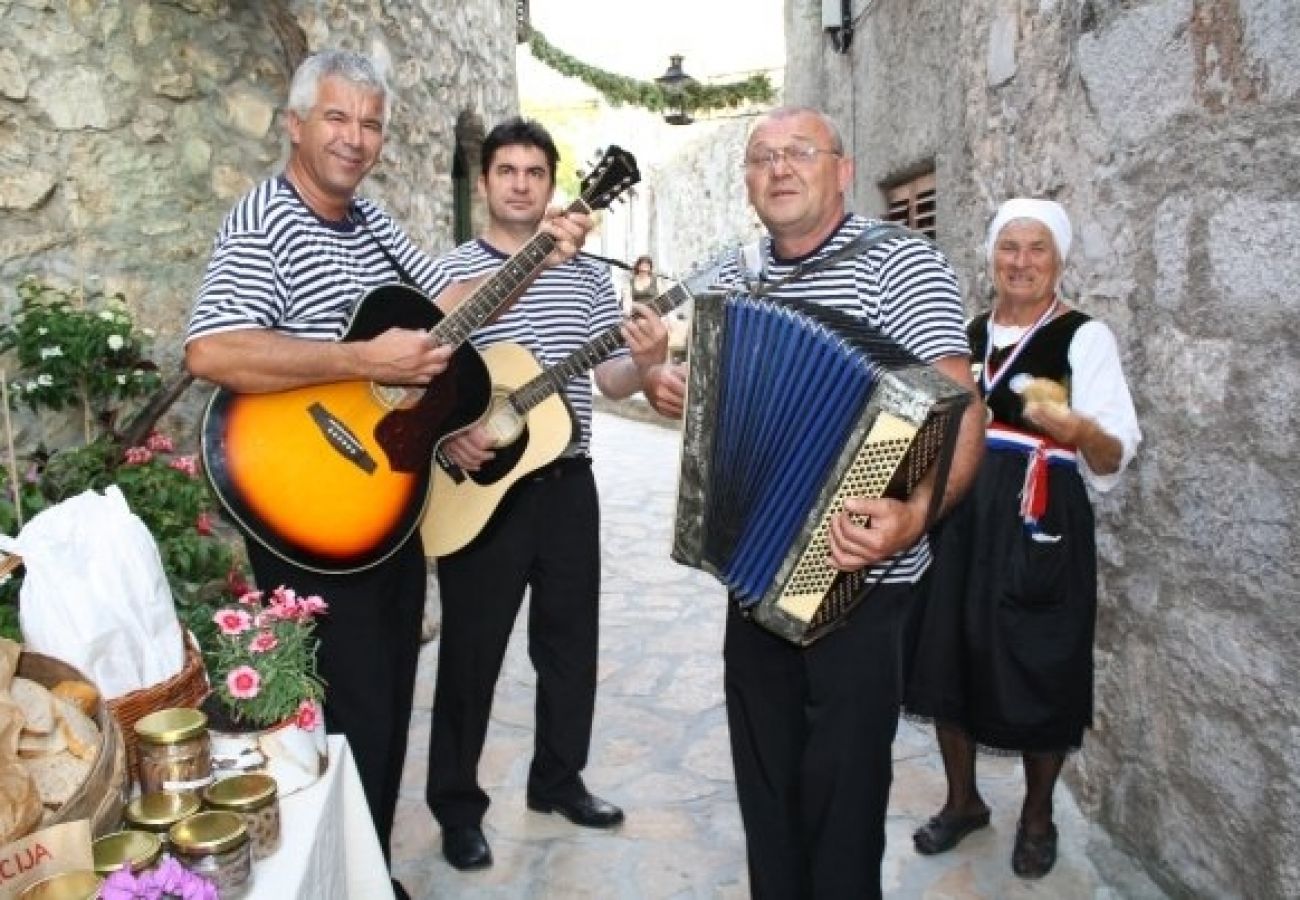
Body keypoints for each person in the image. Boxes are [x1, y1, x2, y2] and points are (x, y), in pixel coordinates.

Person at [183, 52, 590, 898]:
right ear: (295, 124)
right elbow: (213, 347)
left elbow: (450, 307)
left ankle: (361, 870)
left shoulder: (370, 223)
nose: (356, 138)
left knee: (382, 699)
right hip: (308, 496)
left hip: (385, 501)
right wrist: (358, 357)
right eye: (337, 118)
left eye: (370, 123)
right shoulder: (262, 220)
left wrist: (538, 257)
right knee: (339, 705)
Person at [644, 106, 985, 898]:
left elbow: (965, 410)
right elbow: (722, 392)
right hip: (754, 570)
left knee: (842, 808)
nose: (780, 168)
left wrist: (912, 518)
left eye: (801, 152)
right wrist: (676, 387)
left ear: (842, 169)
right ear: (748, 181)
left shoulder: (903, 265)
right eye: (762, 157)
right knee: (767, 797)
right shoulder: (736, 276)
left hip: (862, 580)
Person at [425, 116, 669, 872]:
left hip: (568, 482)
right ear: (488, 180)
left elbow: (612, 380)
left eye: (536, 172)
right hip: (481, 486)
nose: (522, 184)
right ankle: (458, 808)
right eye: (508, 171)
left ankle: (558, 780)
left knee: (570, 647)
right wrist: (447, 437)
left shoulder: (590, 277)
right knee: (471, 653)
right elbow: (421, 377)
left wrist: (648, 356)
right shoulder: (454, 269)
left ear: (554, 185)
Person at [903, 199, 1141, 879]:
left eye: (1037, 249)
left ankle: (1037, 816)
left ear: (1059, 260)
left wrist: (1077, 430)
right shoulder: (968, 336)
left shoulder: (1083, 338)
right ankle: (963, 801)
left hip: (1041, 522)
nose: (1021, 262)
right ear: (991, 257)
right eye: (1009, 248)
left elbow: (1113, 453)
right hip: (960, 516)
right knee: (946, 653)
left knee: (1042, 659)